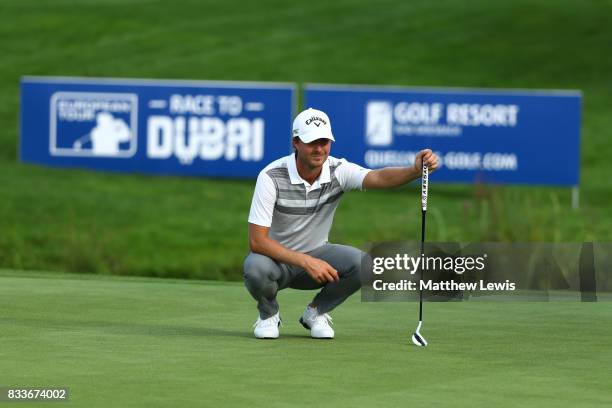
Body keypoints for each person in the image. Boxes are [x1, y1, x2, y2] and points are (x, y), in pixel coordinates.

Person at [244, 108, 439, 339]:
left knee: (363, 264)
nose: (319, 149)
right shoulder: (271, 177)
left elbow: (378, 177)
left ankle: (316, 312)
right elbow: (257, 241)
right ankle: (268, 315)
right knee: (255, 268)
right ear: (296, 142)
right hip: (276, 262)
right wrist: (306, 261)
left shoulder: (338, 171)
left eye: (324, 141)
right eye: (311, 142)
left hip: (318, 256)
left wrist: (414, 170)